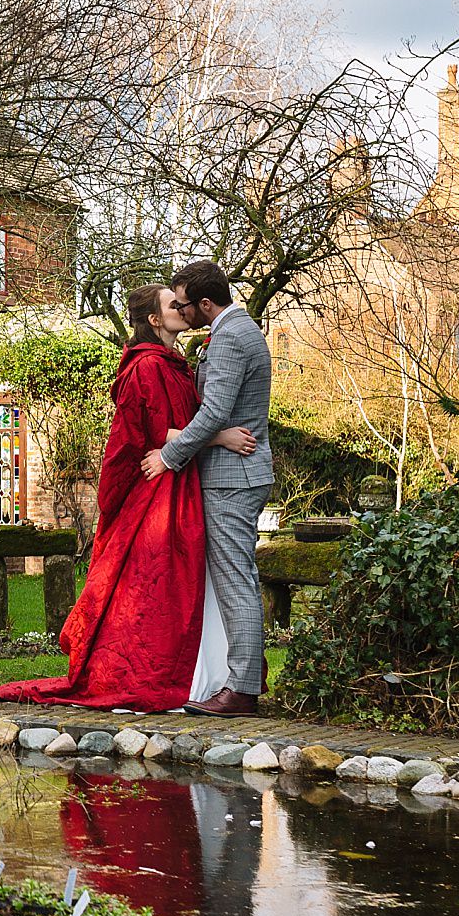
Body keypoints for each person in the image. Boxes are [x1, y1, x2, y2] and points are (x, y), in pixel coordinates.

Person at [0, 284, 254, 712]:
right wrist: (220, 437)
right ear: (154, 320)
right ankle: (163, 672)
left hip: (179, 478)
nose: (183, 309)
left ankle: (208, 676)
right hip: (157, 487)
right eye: (174, 306)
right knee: (154, 580)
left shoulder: (175, 363)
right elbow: (152, 434)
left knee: (187, 577)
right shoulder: (146, 367)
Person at [140, 259, 274, 717]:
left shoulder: (230, 340)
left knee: (236, 582)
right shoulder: (239, 331)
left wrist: (168, 456)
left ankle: (241, 691)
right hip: (238, 472)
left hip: (233, 478)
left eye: (184, 304)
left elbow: (214, 412)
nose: (181, 311)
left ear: (205, 303)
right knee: (238, 580)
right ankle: (243, 676)